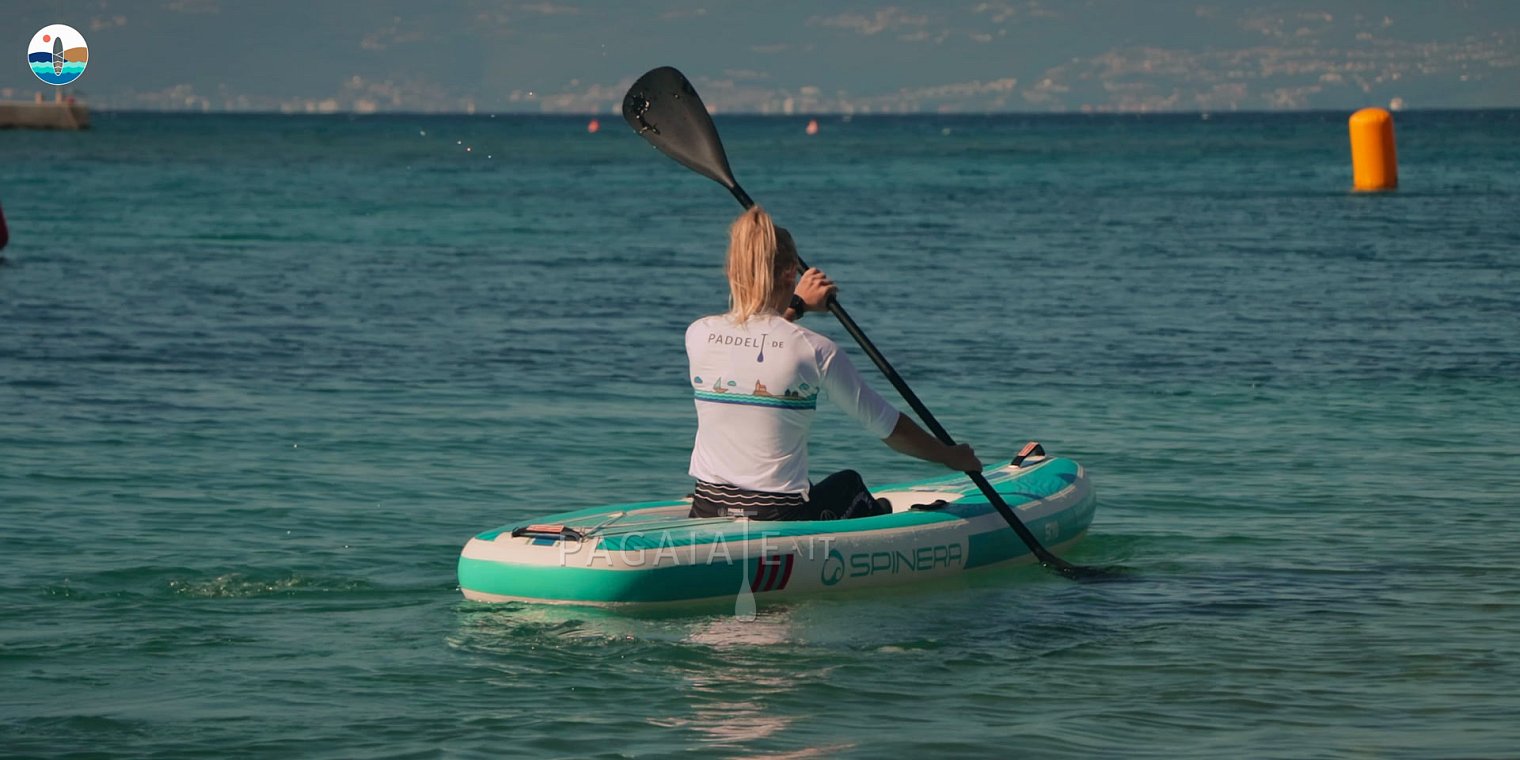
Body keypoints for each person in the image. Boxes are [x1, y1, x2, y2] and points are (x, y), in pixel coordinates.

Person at [685, 206, 981, 521]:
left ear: (732, 271)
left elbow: (757, 346)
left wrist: (795, 307)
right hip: (778, 519)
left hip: (707, 509)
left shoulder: (698, 334)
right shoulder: (815, 350)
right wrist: (950, 456)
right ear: (790, 273)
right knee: (849, 486)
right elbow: (889, 428)